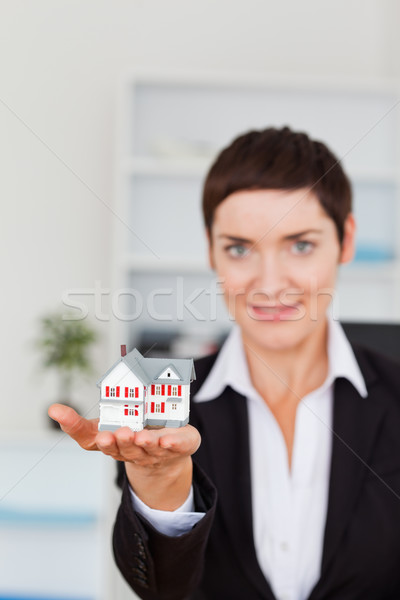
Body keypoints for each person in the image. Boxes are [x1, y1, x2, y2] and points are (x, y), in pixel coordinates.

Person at [49, 126, 400, 600]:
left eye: (300, 245)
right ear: (212, 248)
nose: (269, 283)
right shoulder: (163, 414)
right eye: (239, 248)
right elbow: (162, 591)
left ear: (346, 239)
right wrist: (162, 485)